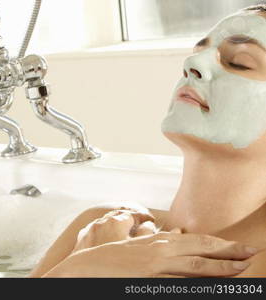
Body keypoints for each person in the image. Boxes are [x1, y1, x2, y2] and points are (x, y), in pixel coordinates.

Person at [28, 4, 266, 278]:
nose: (192, 64)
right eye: (199, 53)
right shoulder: (100, 227)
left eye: (239, 62)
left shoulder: (253, 264)